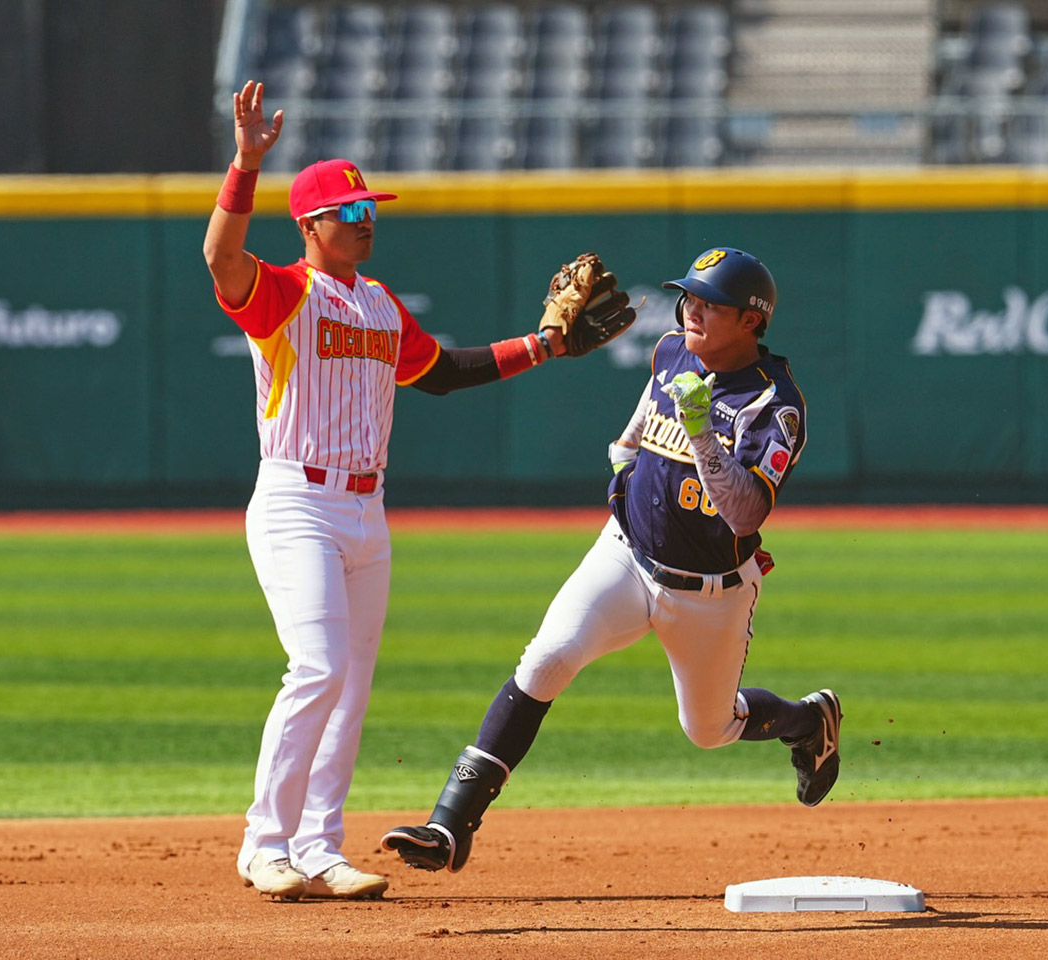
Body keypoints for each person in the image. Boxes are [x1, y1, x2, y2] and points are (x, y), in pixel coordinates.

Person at [203, 81, 629, 900]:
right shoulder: (284, 295)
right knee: (318, 667)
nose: (366, 219)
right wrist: (245, 165)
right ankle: (265, 843)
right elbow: (221, 259)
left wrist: (542, 345)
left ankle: (320, 846)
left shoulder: (380, 304)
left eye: (369, 207)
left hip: (368, 508)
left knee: (352, 683)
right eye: (350, 210)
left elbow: (441, 373)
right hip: (297, 499)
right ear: (312, 225)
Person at [381, 246, 839, 875]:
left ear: (751, 321)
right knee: (546, 659)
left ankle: (808, 723)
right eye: (690, 298)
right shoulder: (673, 351)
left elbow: (746, 516)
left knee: (708, 728)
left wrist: (702, 433)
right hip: (625, 554)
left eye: (710, 304)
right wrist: (625, 469)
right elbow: (633, 434)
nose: (692, 310)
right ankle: (449, 825)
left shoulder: (774, 406)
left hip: (709, 592)